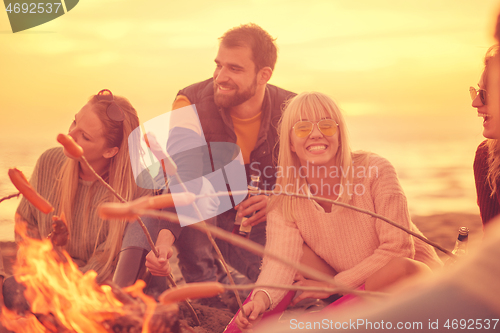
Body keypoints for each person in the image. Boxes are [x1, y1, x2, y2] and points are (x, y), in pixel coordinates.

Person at [233, 92, 443, 331]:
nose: (315, 133)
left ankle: (329, 322)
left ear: (340, 134)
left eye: (326, 125)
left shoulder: (374, 170)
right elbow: (278, 264)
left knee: (401, 266)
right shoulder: (285, 196)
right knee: (293, 257)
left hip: (412, 286)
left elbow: (399, 248)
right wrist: (260, 299)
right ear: (290, 142)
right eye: (302, 128)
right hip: (352, 285)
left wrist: (335, 284)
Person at [144, 23, 295, 288]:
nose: (220, 77)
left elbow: (317, 180)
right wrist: (164, 243)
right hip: (202, 218)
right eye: (219, 65)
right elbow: (184, 175)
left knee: (283, 286)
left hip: (262, 223)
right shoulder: (188, 102)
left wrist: (277, 201)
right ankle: (204, 287)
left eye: (234, 69)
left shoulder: (292, 110)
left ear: (264, 75)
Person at [13, 90, 152, 285]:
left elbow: (112, 262)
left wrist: (71, 284)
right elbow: (25, 225)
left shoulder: (136, 188)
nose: (69, 135)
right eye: (74, 122)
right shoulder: (48, 162)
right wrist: (48, 270)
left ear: (110, 151)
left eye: (84, 136)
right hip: (49, 279)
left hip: (97, 287)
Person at [472, 45, 500, 228]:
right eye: (475, 92)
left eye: (483, 94)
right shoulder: (486, 157)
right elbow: (492, 242)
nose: (475, 103)